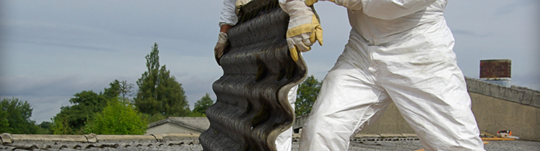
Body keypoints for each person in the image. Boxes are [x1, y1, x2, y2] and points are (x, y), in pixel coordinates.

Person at [278, 0, 486, 150]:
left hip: (418, 50)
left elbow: (394, 3)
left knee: (456, 144)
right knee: (321, 131)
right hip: (361, 49)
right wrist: (298, 9)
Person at [214, 0, 298, 150]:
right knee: (247, 100)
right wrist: (224, 34)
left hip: (279, 23)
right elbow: (229, 3)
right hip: (248, 31)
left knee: (280, 100)